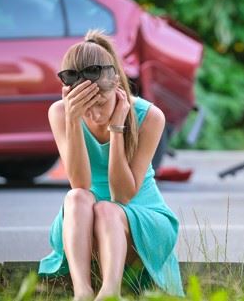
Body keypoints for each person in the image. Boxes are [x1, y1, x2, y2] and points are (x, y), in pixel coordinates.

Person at [38, 29, 185, 300]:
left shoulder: (150, 117)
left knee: (108, 209)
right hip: (81, 223)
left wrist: (117, 127)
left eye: (100, 103)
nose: (93, 113)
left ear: (116, 84)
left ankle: (109, 293)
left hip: (140, 219)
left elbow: (123, 196)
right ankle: (82, 292)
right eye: (85, 106)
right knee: (76, 198)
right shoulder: (61, 113)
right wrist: (73, 120)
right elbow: (80, 184)